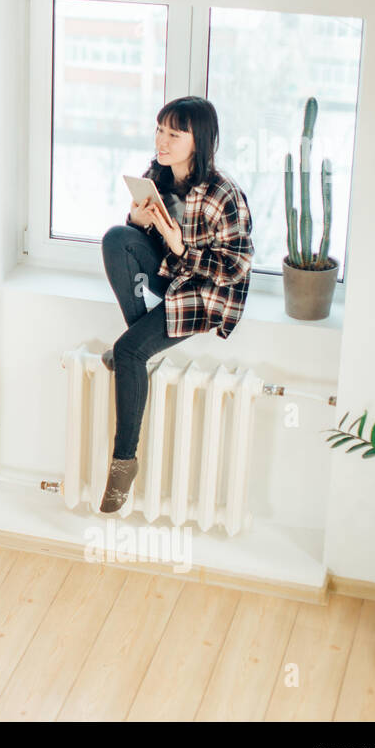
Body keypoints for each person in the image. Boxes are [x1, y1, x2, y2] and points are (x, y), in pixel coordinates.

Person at [98, 96, 254, 514]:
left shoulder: (225, 194)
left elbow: (236, 268)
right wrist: (139, 222)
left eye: (173, 133)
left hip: (201, 294)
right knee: (116, 236)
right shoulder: (157, 175)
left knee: (129, 351)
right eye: (159, 129)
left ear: (198, 140)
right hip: (169, 280)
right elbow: (137, 248)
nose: (161, 140)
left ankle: (124, 461)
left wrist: (180, 245)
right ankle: (140, 339)